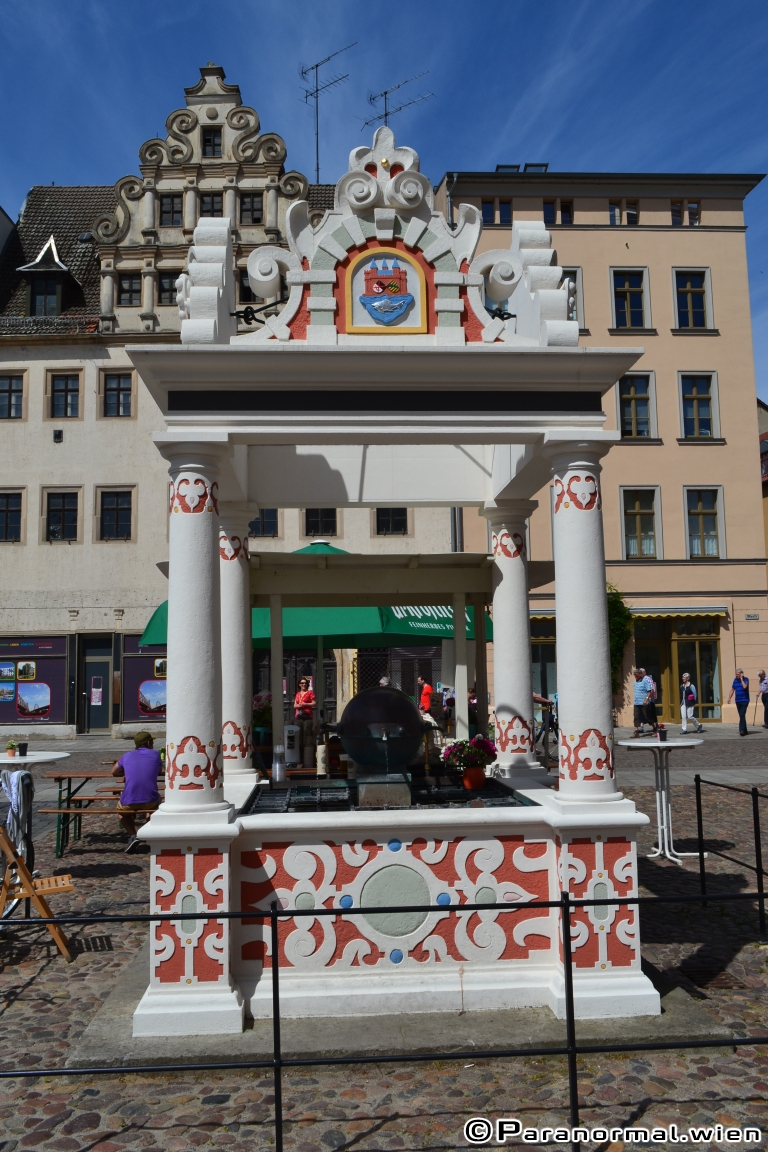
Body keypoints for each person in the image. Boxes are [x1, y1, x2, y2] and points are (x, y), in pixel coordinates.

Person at [112, 731, 162, 853]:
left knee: (121, 812)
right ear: (149, 743)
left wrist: (127, 771)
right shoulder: (156, 754)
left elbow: (114, 772)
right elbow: (159, 770)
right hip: (150, 801)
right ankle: (149, 833)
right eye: (152, 742)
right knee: (155, 804)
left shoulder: (127, 756)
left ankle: (133, 835)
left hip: (129, 801)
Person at [632, 668, 654, 737]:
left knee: (647, 717)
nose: (635, 676)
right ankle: (636, 732)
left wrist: (646, 699)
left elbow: (649, 691)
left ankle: (655, 729)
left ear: (639, 675)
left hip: (644, 703)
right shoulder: (634, 683)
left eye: (636, 674)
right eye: (634, 675)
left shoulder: (645, 682)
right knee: (636, 717)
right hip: (636, 703)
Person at [728, 669, 751, 736]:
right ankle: (745, 730)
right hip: (738, 700)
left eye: (738, 674)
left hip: (745, 700)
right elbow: (732, 689)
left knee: (742, 714)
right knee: (741, 715)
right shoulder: (735, 680)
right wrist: (729, 698)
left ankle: (742, 730)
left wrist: (741, 679)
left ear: (741, 674)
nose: (736, 676)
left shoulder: (746, 679)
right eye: (736, 674)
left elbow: (745, 687)